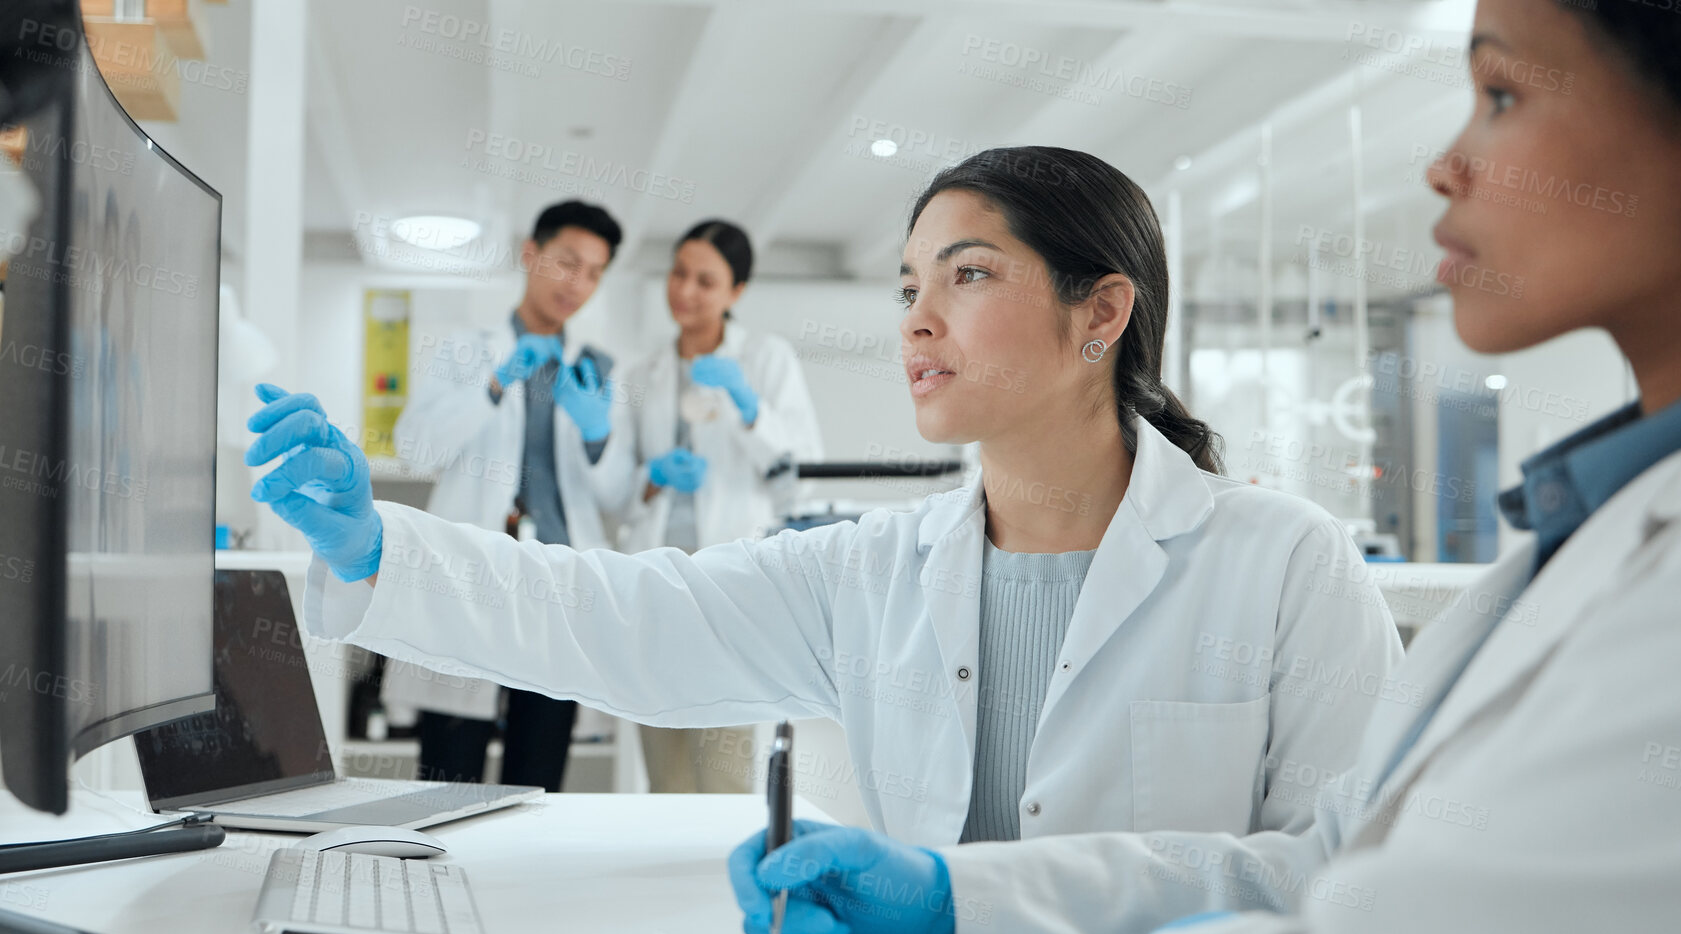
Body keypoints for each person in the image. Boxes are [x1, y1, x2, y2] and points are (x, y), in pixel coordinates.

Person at [729, 2, 1681, 934]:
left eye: (1501, 95)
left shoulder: (1304, 555)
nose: (1444, 161)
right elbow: (1318, 864)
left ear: (1103, 314)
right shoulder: (1593, 533)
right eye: (904, 289)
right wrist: (950, 894)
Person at [244, 148, 1404, 855]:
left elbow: (1341, 879)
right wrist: (378, 545)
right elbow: (618, 615)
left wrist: (963, 900)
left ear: (1100, 312)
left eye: (969, 273)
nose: (913, 318)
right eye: (910, 284)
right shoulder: (868, 573)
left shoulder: (1287, 570)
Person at [380, 199, 629, 792]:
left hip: (558, 588)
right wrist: (495, 383)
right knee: (448, 771)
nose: (579, 283)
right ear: (530, 254)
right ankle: (438, 882)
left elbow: (615, 493)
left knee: (538, 778)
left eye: (594, 272)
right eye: (567, 262)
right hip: (476, 578)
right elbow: (417, 448)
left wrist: (598, 434)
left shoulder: (597, 367)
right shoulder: (467, 350)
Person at [611, 219, 823, 794]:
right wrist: (652, 479)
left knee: (723, 772)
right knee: (665, 770)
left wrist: (747, 407)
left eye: (706, 281)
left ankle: (718, 884)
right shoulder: (643, 371)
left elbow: (798, 473)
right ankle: (671, 885)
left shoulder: (765, 360)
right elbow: (616, 490)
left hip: (730, 588)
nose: (685, 290)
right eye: (679, 274)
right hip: (655, 582)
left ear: (737, 292)